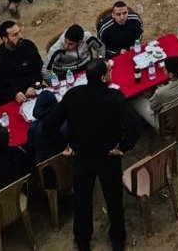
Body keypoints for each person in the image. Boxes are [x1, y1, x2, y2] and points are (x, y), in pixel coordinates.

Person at [43, 58, 140, 251]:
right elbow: (134, 127)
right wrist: (124, 146)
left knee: (82, 201)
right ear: (104, 77)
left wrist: (63, 146)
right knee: (113, 200)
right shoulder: (114, 96)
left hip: (82, 157)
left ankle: (83, 241)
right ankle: (118, 240)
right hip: (108, 156)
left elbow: (49, 125)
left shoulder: (73, 95)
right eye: (109, 71)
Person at [130, 55, 178, 130]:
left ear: (170, 74)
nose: (163, 69)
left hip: (168, 125)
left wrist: (158, 92)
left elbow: (152, 107)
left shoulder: (162, 92)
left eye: (165, 68)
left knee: (134, 100)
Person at [0, 20, 42, 104]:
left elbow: (39, 68)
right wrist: (14, 95)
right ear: (5, 39)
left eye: (19, 32)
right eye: (15, 35)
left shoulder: (28, 46)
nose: (20, 36)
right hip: (11, 100)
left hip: (34, 91)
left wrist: (33, 85)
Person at [0, 126, 33, 193]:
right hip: (22, 185)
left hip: (5, 193)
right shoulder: (18, 151)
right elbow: (28, 165)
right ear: (8, 141)